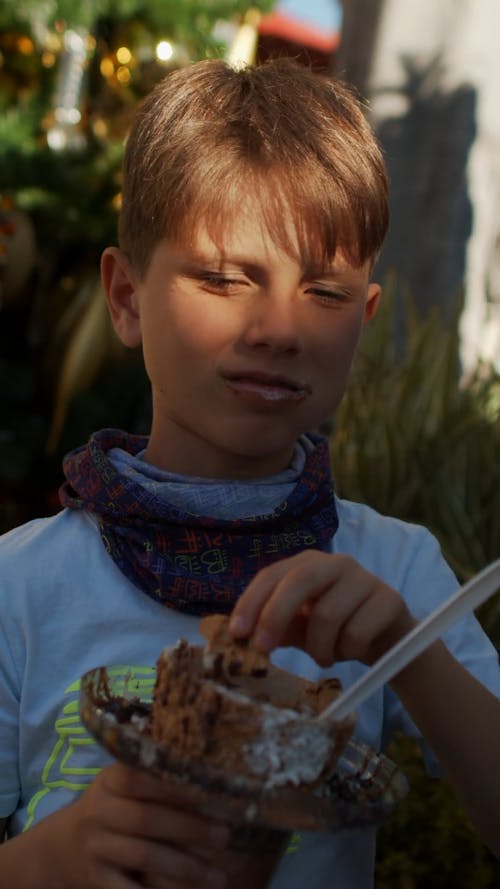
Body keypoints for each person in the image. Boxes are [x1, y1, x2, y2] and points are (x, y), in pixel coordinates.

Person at [0, 57, 499, 889]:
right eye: (224, 278)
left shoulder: (393, 572)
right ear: (126, 296)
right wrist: (49, 860)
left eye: (325, 293)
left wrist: (405, 648)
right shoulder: (21, 586)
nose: (276, 327)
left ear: (364, 318)